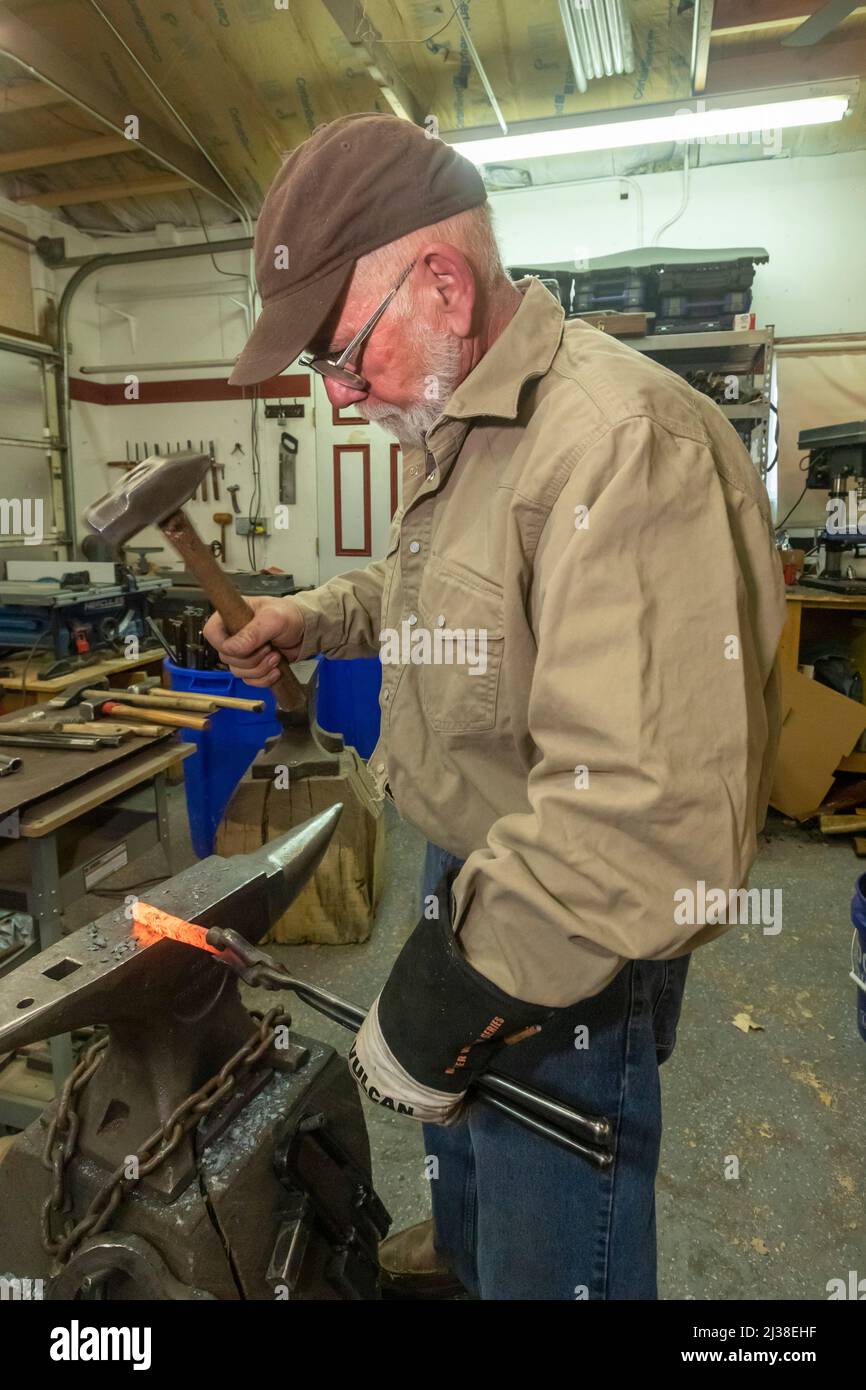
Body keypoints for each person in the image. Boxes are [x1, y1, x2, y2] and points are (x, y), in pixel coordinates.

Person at [203, 113, 787, 1300]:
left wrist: (438, 1000)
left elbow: (645, 819)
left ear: (440, 285)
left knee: (550, 1228)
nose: (339, 394)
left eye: (340, 354)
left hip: (567, 924)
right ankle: (467, 1258)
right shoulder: (462, 427)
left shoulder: (621, 446)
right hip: (467, 858)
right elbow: (432, 591)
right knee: (460, 1151)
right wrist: (308, 617)